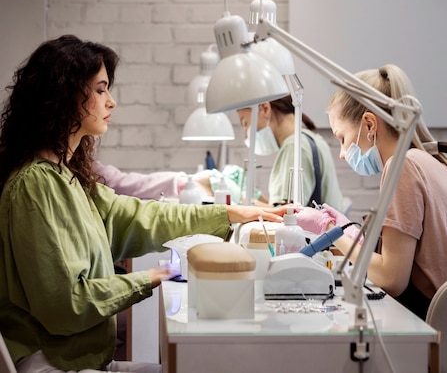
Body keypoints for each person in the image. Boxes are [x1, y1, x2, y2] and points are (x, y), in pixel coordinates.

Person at [0, 34, 286, 373]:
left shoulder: (68, 179)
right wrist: (151, 276)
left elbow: (139, 216)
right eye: (101, 89)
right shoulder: (34, 186)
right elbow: (65, 305)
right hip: (52, 364)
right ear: (65, 95)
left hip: (79, 357)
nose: (111, 102)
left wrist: (227, 214)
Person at [295, 63, 447, 320]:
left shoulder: (403, 166)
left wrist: (332, 233)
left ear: (369, 124)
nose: (342, 155)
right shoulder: (427, 159)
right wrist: (352, 233)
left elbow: (391, 278)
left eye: (342, 138)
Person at [237, 95, 344, 211]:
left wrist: (243, 203)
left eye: (245, 123)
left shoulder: (294, 147)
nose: (246, 136)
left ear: (265, 109)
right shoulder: (313, 139)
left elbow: (287, 214)